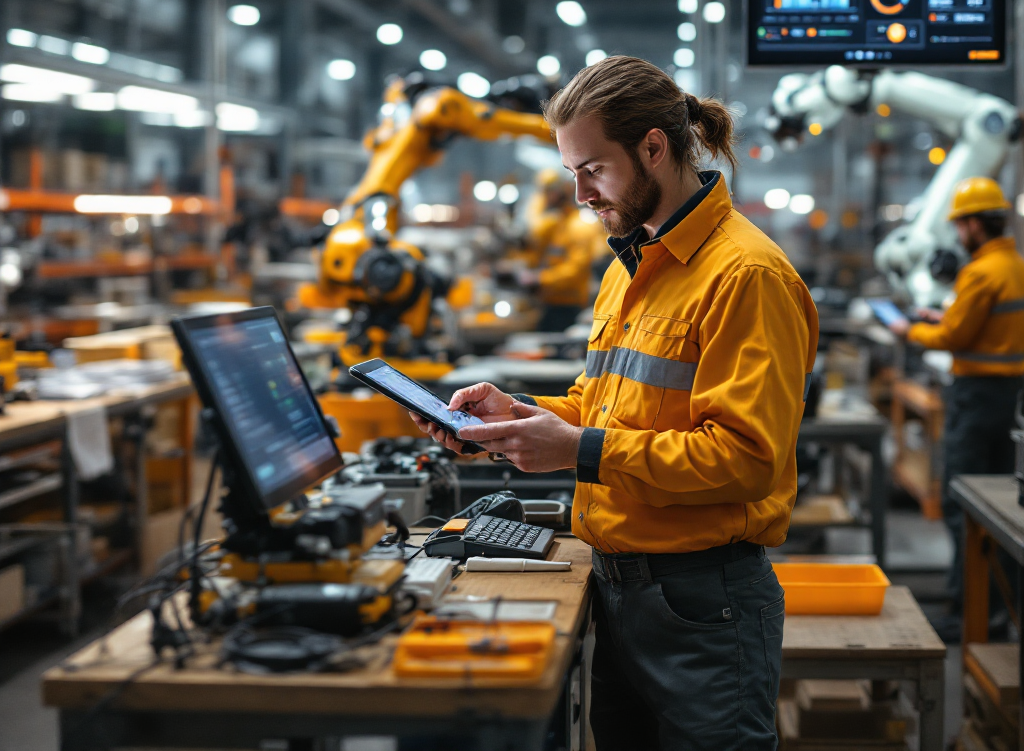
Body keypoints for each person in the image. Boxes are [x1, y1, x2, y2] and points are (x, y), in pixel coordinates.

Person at [411, 56, 818, 751]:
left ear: (653, 148)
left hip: (702, 599)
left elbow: (746, 460)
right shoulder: (629, 265)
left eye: (592, 169)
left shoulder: (744, 276)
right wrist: (515, 415)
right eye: (572, 172)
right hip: (620, 586)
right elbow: (603, 403)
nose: (579, 194)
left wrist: (578, 451)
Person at [888, 177, 1024, 627]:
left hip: (977, 397)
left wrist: (912, 330)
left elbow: (955, 337)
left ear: (973, 226)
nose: (958, 235)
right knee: (999, 504)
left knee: (961, 501)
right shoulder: (1014, 266)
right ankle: (1001, 608)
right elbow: (978, 323)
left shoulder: (980, 272)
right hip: (1009, 398)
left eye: (960, 226)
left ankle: (972, 613)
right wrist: (942, 314)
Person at [517, 167, 596, 332]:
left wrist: (540, 279)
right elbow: (534, 249)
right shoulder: (553, 225)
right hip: (548, 302)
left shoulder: (580, 227)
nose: (545, 198)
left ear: (563, 192)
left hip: (569, 307)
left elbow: (575, 271)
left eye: (549, 192)